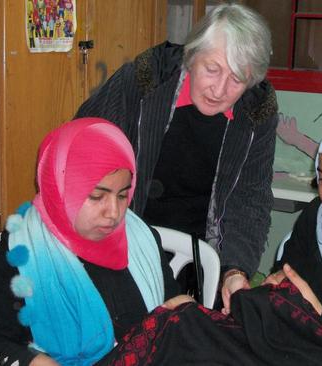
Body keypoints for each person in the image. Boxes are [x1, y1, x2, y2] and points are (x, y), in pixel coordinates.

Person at [96, 119, 322, 366]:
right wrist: (267, 292)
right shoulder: (317, 217)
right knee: (181, 327)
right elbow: (286, 278)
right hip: (302, 343)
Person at [74, 3, 278, 311]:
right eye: (212, 69)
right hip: (123, 240)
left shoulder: (256, 111)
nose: (220, 89)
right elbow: (82, 149)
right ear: (191, 55)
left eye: (237, 79)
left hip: (198, 255)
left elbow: (250, 199)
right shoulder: (144, 80)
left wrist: (235, 270)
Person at [0, 118, 185, 365]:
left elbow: (171, 309)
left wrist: (184, 314)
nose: (113, 212)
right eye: (96, 196)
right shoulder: (17, 250)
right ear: (59, 188)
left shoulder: (141, 237)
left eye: (123, 195)